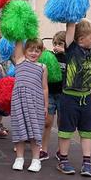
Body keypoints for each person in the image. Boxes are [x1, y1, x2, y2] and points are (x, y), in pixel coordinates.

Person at [56, 18, 91, 177]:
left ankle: (87, 162)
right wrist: (73, 16)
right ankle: (63, 160)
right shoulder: (72, 49)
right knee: (66, 131)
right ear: (81, 39)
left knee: (87, 131)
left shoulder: (89, 50)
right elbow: (71, 29)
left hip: (86, 97)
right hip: (70, 97)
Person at [9, 39, 49, 172]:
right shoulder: (20, 61)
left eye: (37, 50)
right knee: (19, 129)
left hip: (35, 102)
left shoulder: (42, 67)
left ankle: (36, 160)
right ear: (25, 51)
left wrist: (45, 105)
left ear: (41, 52)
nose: (34, 53)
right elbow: (18, 40)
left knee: (35, 131)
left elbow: (44, 88)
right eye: (31, 50)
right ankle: (19, 158)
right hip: (19, 102)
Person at [39, 31, 67, 160]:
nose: (56, 47)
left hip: (64, 94)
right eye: (54, 44)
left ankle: (61, 150)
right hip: (50, 93)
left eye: (60, 44)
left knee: (63, 123)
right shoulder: (50, 56)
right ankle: (43, 149)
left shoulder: (69, 57)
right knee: (47, 122)